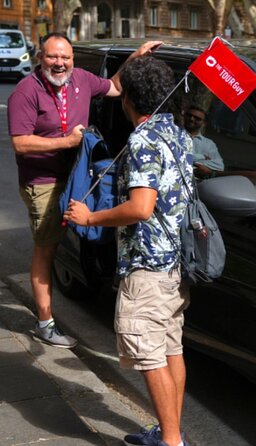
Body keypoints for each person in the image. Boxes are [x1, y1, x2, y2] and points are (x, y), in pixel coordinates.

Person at [64, 56, 193, 446]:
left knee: (148, 353)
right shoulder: (179, 134)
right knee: (170, 349)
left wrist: (89, 218)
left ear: (129, 100)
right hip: (174, 265)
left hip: (147, 266)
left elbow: (141, 207)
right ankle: (170, 431)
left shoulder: (142, 140)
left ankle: (170, 441)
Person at [7, 32, 161, 349]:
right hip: (44, 181)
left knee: (87, 230)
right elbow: (20, 143)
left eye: (66, 57)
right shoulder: (26, 91)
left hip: (79, 173)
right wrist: (66, 142)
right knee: (46, 247)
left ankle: (88, 282)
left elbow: (116, 87)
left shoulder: (82, 80)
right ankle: (45, 324)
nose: (60, 63)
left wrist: (137, 55)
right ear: (40, 58)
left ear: (73, 59)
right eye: (53, 57)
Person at [183, 105, 225, 179]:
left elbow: (219, 166)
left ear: (204, 123)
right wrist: (202, 157)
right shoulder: (173, 134)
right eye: (189, 115)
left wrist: (193, 163)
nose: (192, 119)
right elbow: (177, 157)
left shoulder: (209, 144)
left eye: (197, 118)